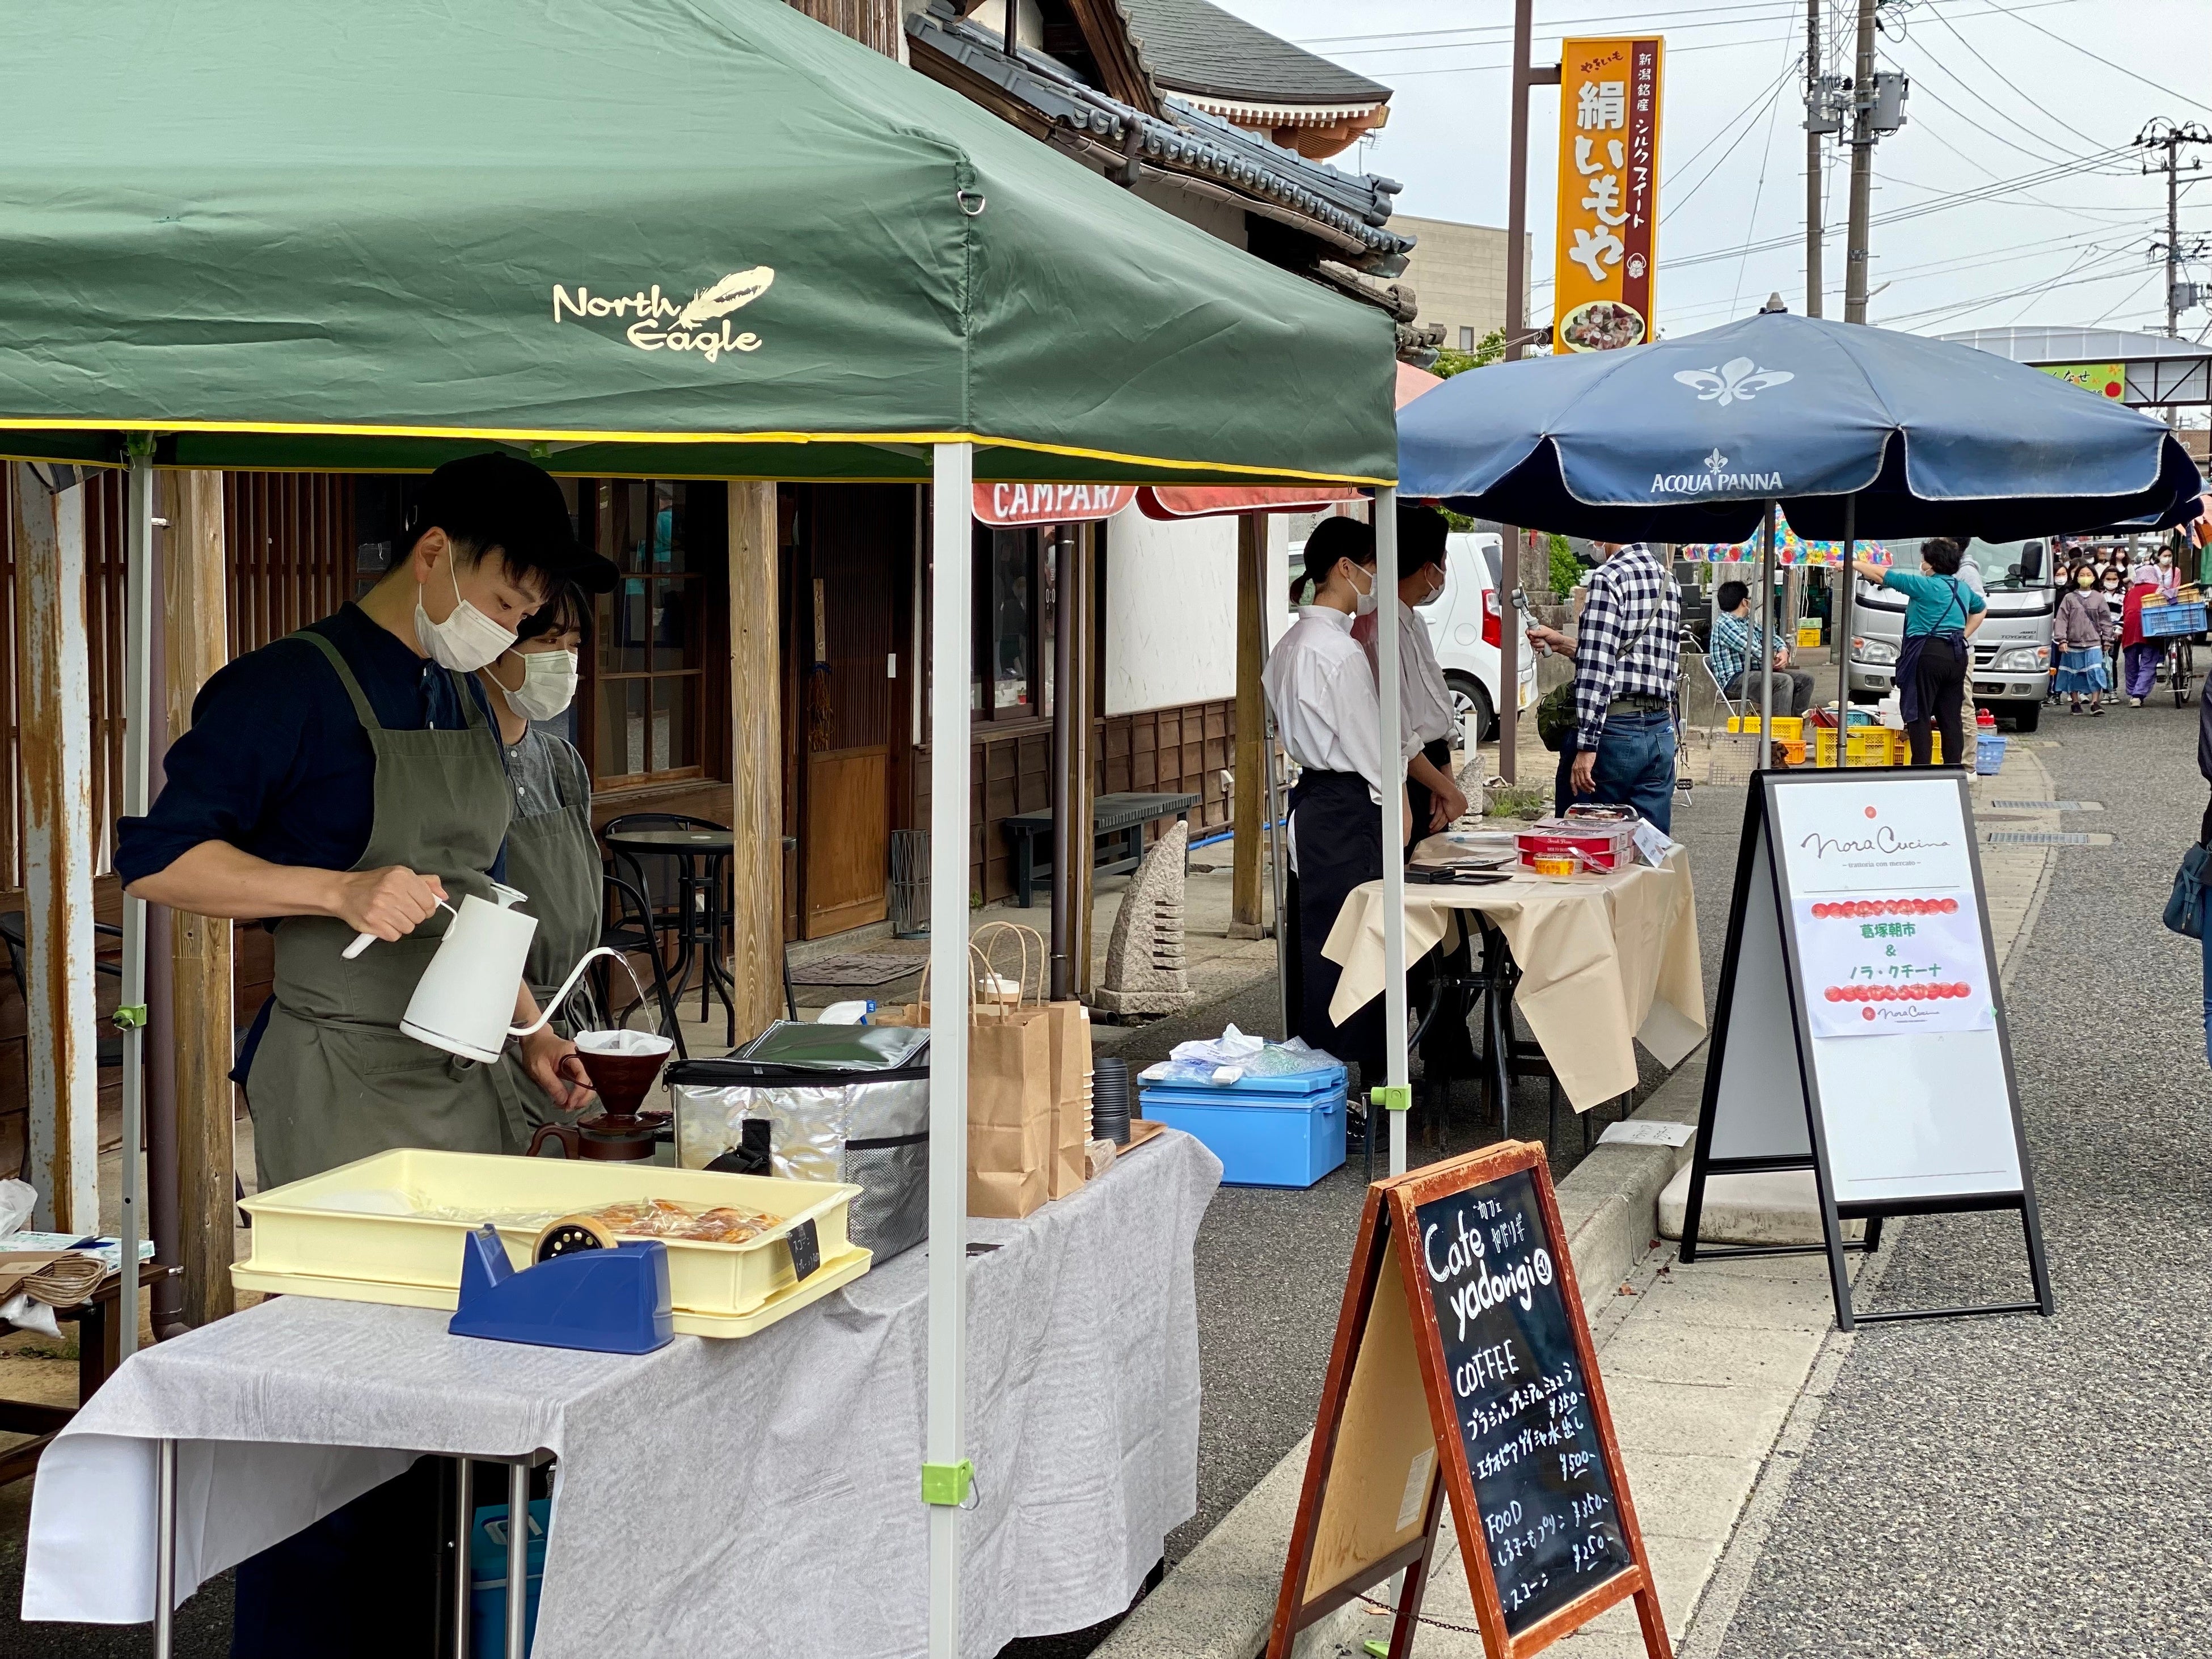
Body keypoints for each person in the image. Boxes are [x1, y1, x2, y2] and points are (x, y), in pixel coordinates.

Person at [117, 454, 617, 1658]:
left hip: (464, 1079)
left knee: (459, 1397)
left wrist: (534, 1031)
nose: (512, 628)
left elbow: (472, 897)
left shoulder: (458, 696)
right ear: (434, 553)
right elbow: (159, 861)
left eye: (528, 614)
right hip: (341, 1089)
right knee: (345, 1402)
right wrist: (331, 884)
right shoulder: (285, 687)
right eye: (506, 600)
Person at [1263, 515, 1413, 1078]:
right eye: (1372, 567)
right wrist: (1396, 799)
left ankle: (1319, 1073)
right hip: (1351, 804)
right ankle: (1371, 1075)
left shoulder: (1289, 645)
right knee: (1361, 941)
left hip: (1314, 801)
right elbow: (1368, 744)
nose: (1375, 579)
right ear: (1345, 568)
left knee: (1319, 936)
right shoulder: (1339, 652)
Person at [477, 585, 607, 1112]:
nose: (565, 661)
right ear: (493, 646)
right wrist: (533, 1023)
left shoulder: (560, 762)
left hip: (575, 1022)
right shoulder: (462, 765)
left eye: (573, 646)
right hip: (501, 1028)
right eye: (549, 641)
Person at [1528, 538, 1682, 832]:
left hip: (1614, 733)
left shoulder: (1608, 577)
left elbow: (1597, 668)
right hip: (1660, 731)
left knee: (1589, 844)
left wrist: (1587, 746)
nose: (1592, 543)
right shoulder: (1668, 581)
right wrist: (1565, 644)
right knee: (1649, 846)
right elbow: (1639, 660)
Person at [1352, 504, 1470, 846]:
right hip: (1407, 774)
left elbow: (1438, 708)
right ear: (1428, 569)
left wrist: (1446, 783)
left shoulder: (1414, 622)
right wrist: (1448, 790)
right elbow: (1399, 736)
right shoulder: (1375, 631)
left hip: (1432, 771)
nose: (1445, 571)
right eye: (1444, 561)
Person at [1849, 536, 1985, 767]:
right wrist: (1963, 634)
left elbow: (1883, 575)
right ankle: (1954, 770)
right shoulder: (1961, 588)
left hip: (1927, 654)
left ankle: (1922, 769)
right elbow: (1981, 610)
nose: (1921, 563)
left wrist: (1852, 563)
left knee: (1919, 714)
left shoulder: (1924, 586)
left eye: (1923, 559)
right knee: (1950, 717)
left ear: (1931, 563)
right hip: (1956, 656)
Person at [1706, 579, 1814, 716]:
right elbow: (1753, 648)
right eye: (1749, 599)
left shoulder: (1746, 622)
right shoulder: (1725, 624)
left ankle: (1794, 726)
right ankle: (1777, 732)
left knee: (1805, 679)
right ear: (1744, 602)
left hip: (1754, 673)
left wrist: (1782, 650)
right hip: (1734, 681)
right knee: (1783, 681)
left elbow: (1770, 637)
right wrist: (1775, 661)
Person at [2053, 560, 2115, 715]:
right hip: (2072, 643)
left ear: (2094, 578)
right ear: (2076, 578)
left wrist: (2107, 640)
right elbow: (2062, 620)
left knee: (2096, 671)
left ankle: (2095, 703)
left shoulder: (2099, 598)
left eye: (2089, 575)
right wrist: (2062, 640)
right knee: (2073, 673)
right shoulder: (2069, 598)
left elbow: (2106, 620)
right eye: (2081, 575)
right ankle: (2075, 703)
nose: (2085, 578)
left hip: (2094, 642)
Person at [2120, 562, 2165, 707]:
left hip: (2130, 628)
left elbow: (2125, 610)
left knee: (2131, 663)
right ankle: (2137, 695)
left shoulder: (2131, 591)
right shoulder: (2159, 589)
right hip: (2151, 629)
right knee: (2148, 661)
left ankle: (2132, 690)